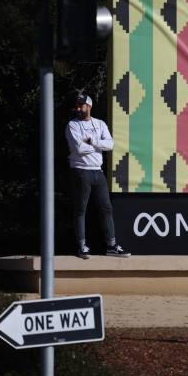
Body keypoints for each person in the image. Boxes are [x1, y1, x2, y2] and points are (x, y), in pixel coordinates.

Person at [65, 93, 130, 259]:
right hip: (80, 170)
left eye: (81, 105)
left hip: (97, 171)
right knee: (81, 209)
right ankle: (81, 246)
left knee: (106, 208)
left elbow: (110, 144)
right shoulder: (72, 125)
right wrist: (97, 145)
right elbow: (77, 148)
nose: (78, 108)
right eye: (77, 105)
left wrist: (92, 141)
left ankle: (112, 246)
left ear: (89, 106)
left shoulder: (99, 124)